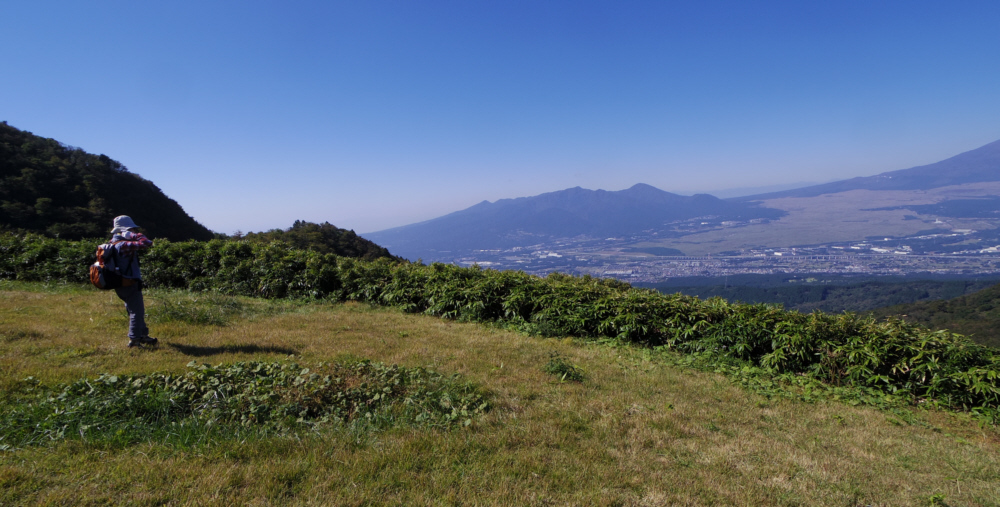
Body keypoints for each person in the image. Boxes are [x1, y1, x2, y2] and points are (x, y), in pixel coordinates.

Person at [108, 215, 157, 348]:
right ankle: (135, 340)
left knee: (133, 310)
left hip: (121, 283)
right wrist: (136, 235)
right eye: (132, 229)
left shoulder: (112, 243)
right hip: (130, 283)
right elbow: (147, 243)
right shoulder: (123, 245)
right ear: (125, 231)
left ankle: (142, 335)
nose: (134, 231)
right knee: (137, 312)